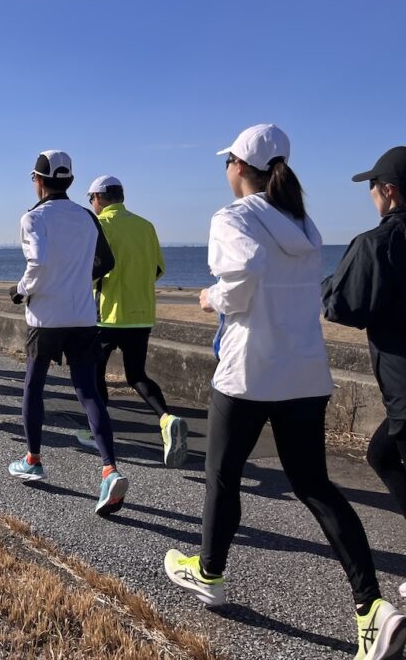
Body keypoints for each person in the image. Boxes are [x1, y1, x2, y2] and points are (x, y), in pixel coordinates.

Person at [163, 125, 404, 660]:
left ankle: (211, 575)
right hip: (305, 374)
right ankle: (371, 607)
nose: (225, 170)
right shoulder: (304, 224)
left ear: (239, 169)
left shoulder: (231, 217)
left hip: (249, 373)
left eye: (227, 162)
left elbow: (243, 278)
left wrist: (209, 298)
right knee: (315, 485)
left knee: (223, 476)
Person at [7, 150, 128, 518]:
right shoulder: (87, 217)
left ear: (38, 181)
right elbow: (106, 262)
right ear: (71, 182)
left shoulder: (33, 217)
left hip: (45, 317)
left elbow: (38, 263)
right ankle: (109, 468)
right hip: (82, 316)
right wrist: (77, 278)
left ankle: (33, 459)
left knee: (34, 385)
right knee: (88, 390)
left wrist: (22, 290)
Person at [321, 146, 406, 600]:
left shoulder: (380, 242)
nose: (372, 196)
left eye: (373, 188)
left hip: (404, 386)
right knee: (380, 455)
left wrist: (317, 286)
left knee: (386, 456)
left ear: (389, 192)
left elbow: (345, 305)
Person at [86, 175, 186, 468]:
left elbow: (91, 269)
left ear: (99, 198)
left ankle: (98, 432)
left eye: (91, 198)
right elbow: (157, 269)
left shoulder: (99, 226)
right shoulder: (146, 226)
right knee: (136, 375)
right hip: (141, 315)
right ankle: (167, 420)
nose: (92, 204)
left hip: (107, 314)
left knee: (95, 374)